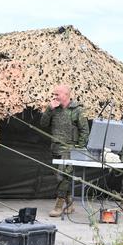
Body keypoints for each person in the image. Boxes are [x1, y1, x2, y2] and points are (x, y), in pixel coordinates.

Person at [39, 84, 88, 217]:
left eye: (57, 94)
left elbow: (84, 131)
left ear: (66, 95)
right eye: (54, 94)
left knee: (63, 176)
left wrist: (79, 148)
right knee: (59, 177)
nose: (54, 97)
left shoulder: (77, 110)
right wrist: (49, 109)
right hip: (55, 148)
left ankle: (59, 206)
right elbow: (43, 124)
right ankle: (70, 204)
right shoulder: (53, 109)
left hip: (69, 149)